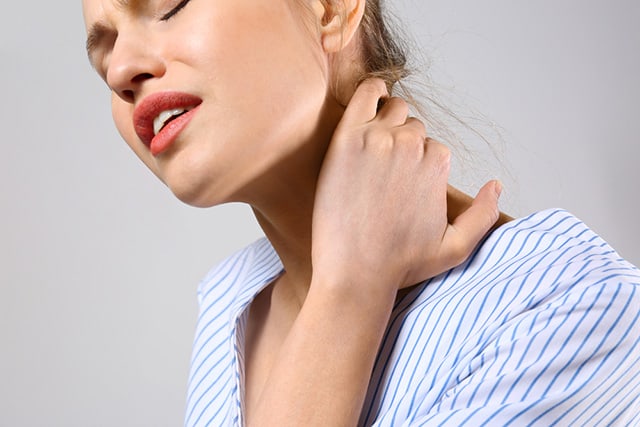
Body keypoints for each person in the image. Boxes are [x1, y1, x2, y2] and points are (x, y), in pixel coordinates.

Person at [82, 0, 640, 425]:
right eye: (104, 52)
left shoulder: (570, 306)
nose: (120, 69)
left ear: (329, 9)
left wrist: (348, 288)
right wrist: (349, 285)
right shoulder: (228, 305)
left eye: (169, 6)